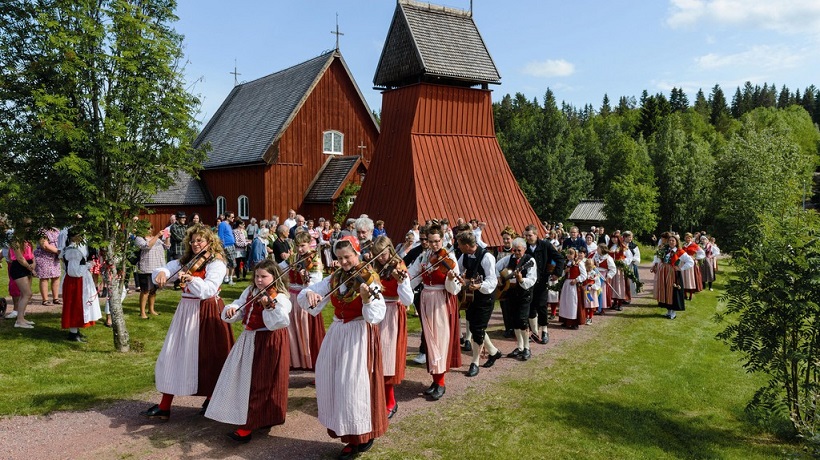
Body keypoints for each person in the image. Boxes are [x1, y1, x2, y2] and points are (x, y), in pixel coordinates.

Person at [297, 236, 387, 460]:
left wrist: (366, 300)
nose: (344, 261)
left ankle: (359, 437)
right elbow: (305, 297)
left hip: (359, 334)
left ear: (357, 253)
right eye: (339, 258)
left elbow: (375, 316)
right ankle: (347, 431)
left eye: (348, 256)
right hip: (338, 332)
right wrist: (310, 293)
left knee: (353, 385)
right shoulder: (336, 277)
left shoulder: (370, 278)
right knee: (333, 379)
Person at [140, 224, 235, 420]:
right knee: (173, 354)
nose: (195, 244)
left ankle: (211, 399)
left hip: (207, 311)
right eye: (192, 241)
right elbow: (169, 267)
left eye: (199, 240)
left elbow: (208, 290)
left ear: (209, 242)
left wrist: (191, 279)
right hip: (186, 311)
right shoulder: (187, 261)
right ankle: (165, 405)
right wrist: (162, 273)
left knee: (210, 356)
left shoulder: (216, 263)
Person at [205, 259, 291, 443]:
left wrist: (269, 305)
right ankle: (252, 416)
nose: (259, 280)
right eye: (257, 276)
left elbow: (281, 320)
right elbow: (239, 306)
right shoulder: (251, 291)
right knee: (244, 379)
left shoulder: (280, 296)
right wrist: (232, 310)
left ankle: (249, 425)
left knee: (262, 382)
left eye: (264, 277)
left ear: (275, 277)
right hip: (249, 339)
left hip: (268, 340)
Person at [407, 225, 461, 400]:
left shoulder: (450, 258)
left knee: (439, 340)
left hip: (441, 300)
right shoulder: (424, 256)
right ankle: (435, 380)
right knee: (429, 340)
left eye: (437, 241)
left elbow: (455, 289)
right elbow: (412, 276)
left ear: (443, 239)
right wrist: (402, 285)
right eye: (431, 241)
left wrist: (451, 280)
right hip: (425, 298)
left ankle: (441, 382)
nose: (434, 244)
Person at [371, 236, 413, 419]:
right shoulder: (375, 266)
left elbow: (407, 300)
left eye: (384, 254)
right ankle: (377, 396)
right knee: (374, 355)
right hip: (376, 311)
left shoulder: (399, 267)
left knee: (387, 357)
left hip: (392, 313)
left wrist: (402, 282)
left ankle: (390, 401)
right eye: (378, 255)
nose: (381, 258)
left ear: (390, 250)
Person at [454, 231, 499, 376]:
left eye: (459, 245)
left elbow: (493, 280)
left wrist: (480, 286)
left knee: (478, 329)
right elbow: (459, 270)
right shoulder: (464, 255)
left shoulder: (487, 257)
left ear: (467, 245)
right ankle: (494, 352)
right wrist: (462, 279)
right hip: (471, 297)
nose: (458, 247)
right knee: (474, 326)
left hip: (485, 297)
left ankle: (475, 362)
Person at [282, 231, 324, 370]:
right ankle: (295, 360)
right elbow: (279, 267)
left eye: (303, 246)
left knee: (305, 328)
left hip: (305, 296)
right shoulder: (293, 257)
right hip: (291, 297)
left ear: (309, 244)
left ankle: (309, 361)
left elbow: (316, 282)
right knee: (292, 328)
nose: (300, 249)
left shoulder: (315, 259)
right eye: (297, 246)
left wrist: (307, 280)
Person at [523, 224, 565, 345]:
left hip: (542, 280)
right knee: (530, 306)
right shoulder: (524, 247)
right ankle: (534, 332)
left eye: (530, 235)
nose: (528, 238)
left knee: (541, 306)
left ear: (536, 235)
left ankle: (544, 331)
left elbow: (560, 258)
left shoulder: (545, 245)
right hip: (528, 282)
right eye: (526, 236)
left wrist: (557, 273)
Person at [497, 237, 537, 360]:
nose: (516, 252)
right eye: (515, 250)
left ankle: (527, 348)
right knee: (514, 320)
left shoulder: (530, 261)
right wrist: (499, 277)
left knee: (522, 320)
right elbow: (495, 267)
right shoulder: (509, 258)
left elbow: (532, 279)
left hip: (524, 293)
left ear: (524, 249)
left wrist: (521, 279)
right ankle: (519, 346)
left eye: (519, 250)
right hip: (511, 293)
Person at [60, 227, 102, 342]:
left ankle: (75, 331)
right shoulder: (73, 250)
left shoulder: (71, 249)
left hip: (77, 281)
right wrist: (89, 265)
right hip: (76, 282)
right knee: (76, 305)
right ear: (74, 236)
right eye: (79, 235)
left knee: (78, 305)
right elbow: (75, 272)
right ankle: (73, 333)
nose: (82, 238)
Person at [651, 235, 694, 319]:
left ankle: (673, 312)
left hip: (673, 273)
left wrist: (681, 268)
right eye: (670, 240)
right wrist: (655, 265)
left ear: (676, 242)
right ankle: (668, 311)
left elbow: (690, 261)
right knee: (666, 291)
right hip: (664, 272)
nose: (671, 242)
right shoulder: (665, 250)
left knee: (673, 291)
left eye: (673, 241)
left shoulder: (680, 251)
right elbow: (657, 258)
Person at [135, 223, 170, 318]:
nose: (149, 229)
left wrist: (167, 237)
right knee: (145, 291)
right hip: (146, 268)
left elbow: (166, 247)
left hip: (157, 268)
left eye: (151, 227)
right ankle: (142, 312)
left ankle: (151, 309)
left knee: (153, 291)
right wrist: (158, 235)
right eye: (147, 228)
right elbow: (147, 246)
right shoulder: (139, 239)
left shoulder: (157, 239)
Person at [7, 230, 35, 328]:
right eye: (26, 226)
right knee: (27, 294)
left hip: (27, 265)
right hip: (19, 267)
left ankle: (21, 318)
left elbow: (32, 253)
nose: (28, 229)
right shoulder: (15, 240)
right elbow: (19, 258)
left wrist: (33, 263)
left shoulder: (27, 239)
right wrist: (30, 267)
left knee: (24, 294)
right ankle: (19, 321)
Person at [558, 248, 587, 329]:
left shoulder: (579, 263)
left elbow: (584, 275)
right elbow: (562, 274)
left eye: (571, 254)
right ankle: (566, 320)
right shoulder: (567, 263)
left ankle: (574, 322)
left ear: (575, 255)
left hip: (574, 285)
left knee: (573, 303)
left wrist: (576, 280)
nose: (569, 255)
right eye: (568, 253)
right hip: (567, 284)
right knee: (565, 302)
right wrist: (565, 271)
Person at [496, 226, 516, 337]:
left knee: (513, 305)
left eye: (508, 239)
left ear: (512, 238)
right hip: (502, 282)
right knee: (504, 305)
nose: (506, 241)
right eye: (504, 239)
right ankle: (508, 327)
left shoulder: (516, 250)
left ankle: (515, 327)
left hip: (514, 282)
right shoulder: (498, 250)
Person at [34, 226, 61, 305]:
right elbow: (44, 245)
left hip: (55, 257)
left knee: (56, 276)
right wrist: (59, 252)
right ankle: (45, 300)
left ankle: (55, 298)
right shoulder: (41, 231)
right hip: (44, 256)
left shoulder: (56, 229)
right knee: (44, 278)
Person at [608, 231, 632, 311]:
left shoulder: (623, 247)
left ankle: (619, 303)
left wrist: (622, 262)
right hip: (611, 269)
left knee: (619, 285)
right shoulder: (610, 247)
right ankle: (614, 302)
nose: (614, 239)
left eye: (615, 238)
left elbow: (629, 257)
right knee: (613, 285)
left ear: (618, 238)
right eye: (612, 238)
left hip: (619, 269)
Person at [682, 232, 705, 300]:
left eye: (689, 237)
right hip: (684, 263)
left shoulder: (694, 245)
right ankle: (685, 294)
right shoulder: (684, 246)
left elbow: (702, 253)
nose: (688, 239)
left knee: (691, 278)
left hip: (691, 264)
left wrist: (696, 258)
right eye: (686, 237)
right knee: (684, 278)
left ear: (691, 238)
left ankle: (691, 295)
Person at [218, 212, 237, 285]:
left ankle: (229, 278)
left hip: (231, 245)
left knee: (230, 262)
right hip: (227, 245)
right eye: (232, 217)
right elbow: (221, 235)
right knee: (231, 262)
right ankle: (228, 278)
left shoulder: (229, 225)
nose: (233, 218)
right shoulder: (223, 224)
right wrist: (223, 246)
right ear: (227, 217)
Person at [582, 258, 601, 325]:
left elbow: (598, 283)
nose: (589, 268)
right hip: (585, 291)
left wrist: (592, 287)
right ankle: (586, 317)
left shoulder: (594, 274)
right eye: (588, 267)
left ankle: (590, 318)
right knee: (586, 305)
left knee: (591, 305)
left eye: (590, 267)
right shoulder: (584, 273)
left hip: (592, 291)